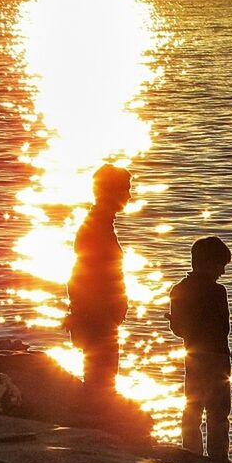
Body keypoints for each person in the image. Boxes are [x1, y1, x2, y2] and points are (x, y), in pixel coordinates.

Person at [168, 236, 232, 463]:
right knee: (218, 412)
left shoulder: (178, 290)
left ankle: (192, 457)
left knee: (192, 407)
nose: (222, 273)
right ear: (208, 263)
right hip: (217, 360)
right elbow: (223, 329)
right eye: (221, 266)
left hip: (193, 359)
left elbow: (178, 329)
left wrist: (183, 324)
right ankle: (219, 461)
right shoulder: (218, 292)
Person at [66, 163, 131, 396]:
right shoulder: (94, 228)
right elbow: (80, 275)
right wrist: (95, 313)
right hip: (98, 317)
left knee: (103, 377)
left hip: (103, 317)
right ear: (110, 192)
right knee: (100, 379)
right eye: (125, 189)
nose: (129, 195)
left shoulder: (100, 225)